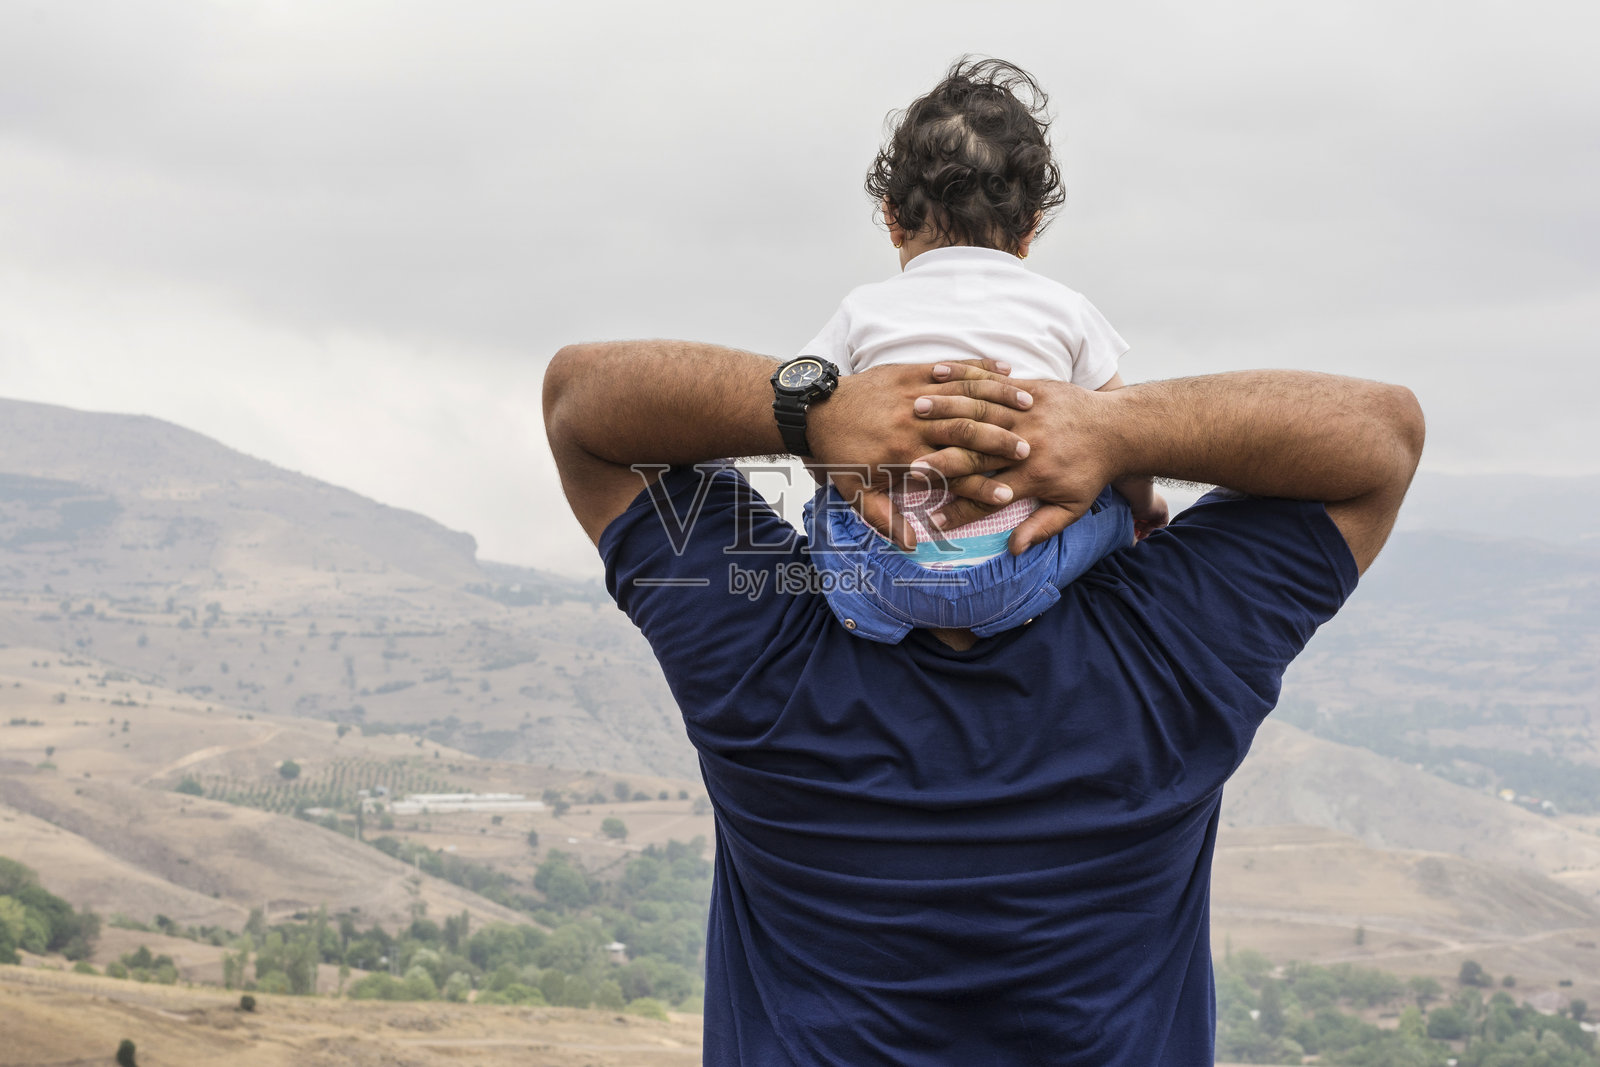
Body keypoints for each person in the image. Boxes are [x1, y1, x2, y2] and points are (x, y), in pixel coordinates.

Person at [543, 343, 1422, 1065]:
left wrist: (810, 407)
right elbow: (1381, 438)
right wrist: (1112, 428)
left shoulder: (763, 655)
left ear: (855, 488)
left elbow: (582, 406)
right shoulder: (1166, 651)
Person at [795, 57, 1167, 643]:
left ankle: (868, 613)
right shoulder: (1065, 307)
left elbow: (813, 428)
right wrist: (1143, 507)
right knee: (1114, 496)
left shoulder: (860, 308)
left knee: (827, 498)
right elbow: (1123, 438)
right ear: (1029, 229)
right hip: (1017, 567)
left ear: (893, 217)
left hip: (883, 570)